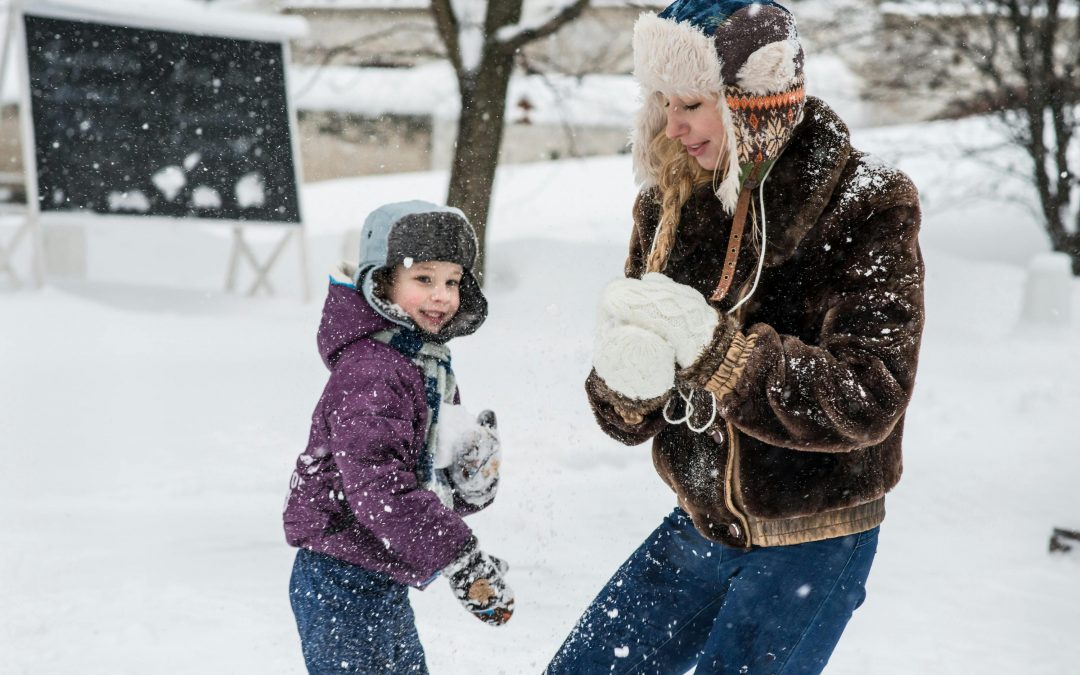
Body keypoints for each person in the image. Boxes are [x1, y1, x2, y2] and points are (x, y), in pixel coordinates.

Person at [548, 1, 925, 673]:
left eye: (691, 103)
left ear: (755, 101)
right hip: (700, 522)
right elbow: (628, 413)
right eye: (663, 103)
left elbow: (869, 395)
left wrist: (723, 358)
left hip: (817, 537)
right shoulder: (670, 200)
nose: (674, 125)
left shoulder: (866, 203)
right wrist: (626, 386)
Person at [283, 200, 514, 674]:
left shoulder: (423, 363)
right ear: (382, 283)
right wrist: (461, 557)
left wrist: (468, 483)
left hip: (380, 575)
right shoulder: (374, 372)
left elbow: (419, 484)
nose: (442, 296)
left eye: (452, 281)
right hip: (339, 579)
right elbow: (379, 492)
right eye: (424, 279)